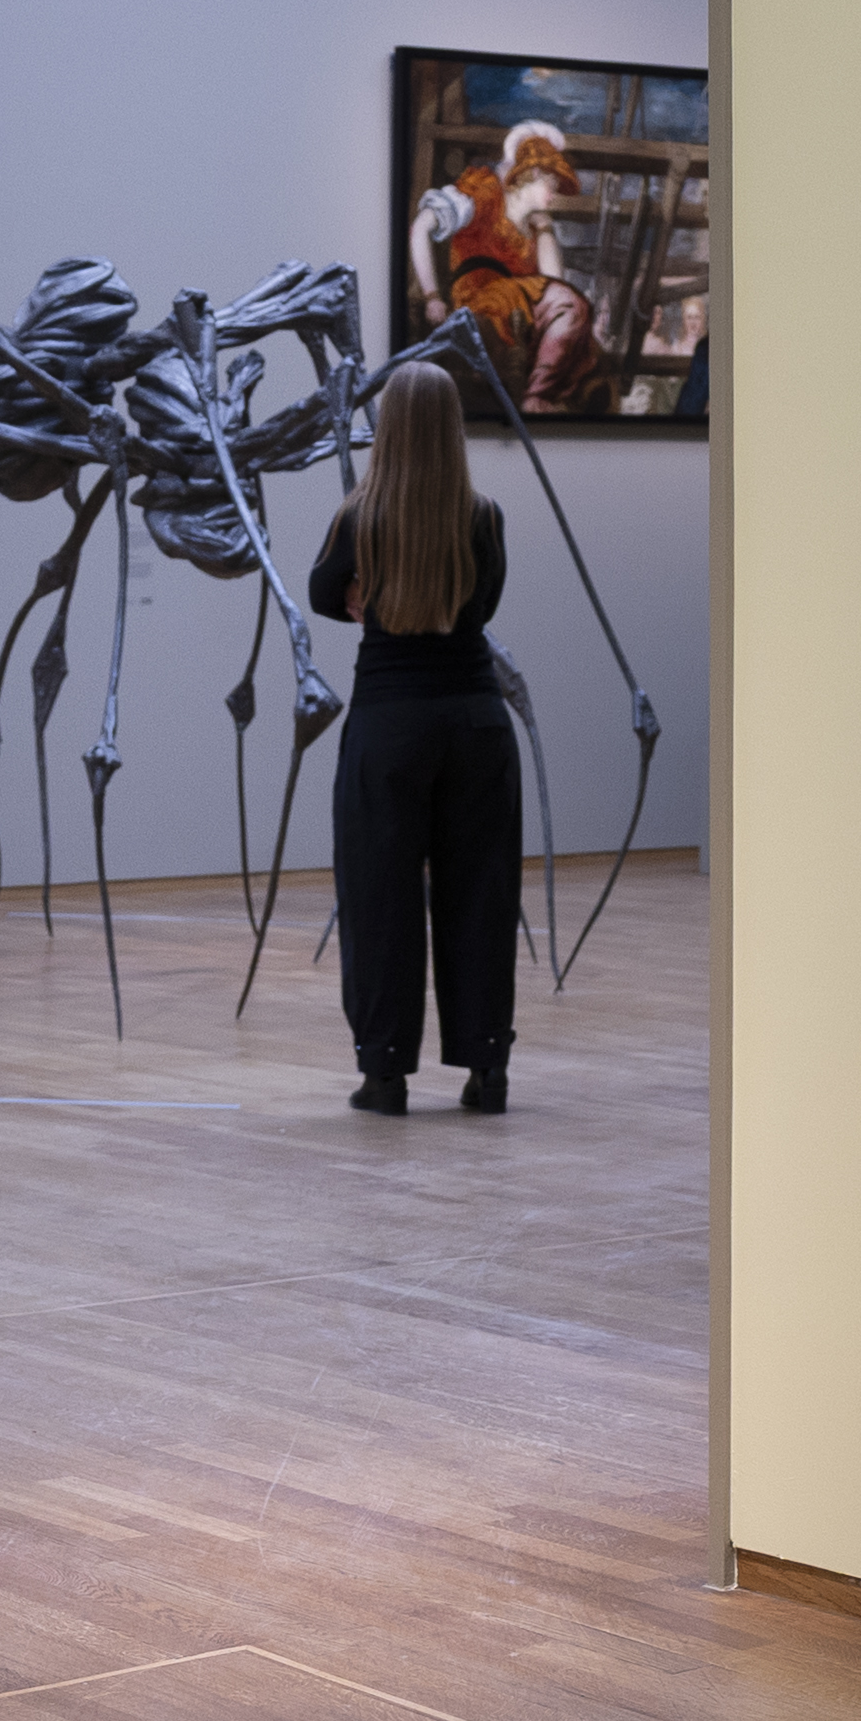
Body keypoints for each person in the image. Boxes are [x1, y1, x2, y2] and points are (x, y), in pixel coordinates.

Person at [304, 357, 516, 1115]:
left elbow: (323, 595)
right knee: (481, 893)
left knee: (379, 896)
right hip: (475, 721)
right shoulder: (483, 515)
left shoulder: (358, 518)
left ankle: (385, 1074)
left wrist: (367, 593)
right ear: (453, 427)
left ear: (388, 427)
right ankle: (487, 1070)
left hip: (389, 724)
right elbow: (484, 605)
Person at [410, 119, 601, 412]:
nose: (555, 192)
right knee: (571, 306)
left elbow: (554, 285)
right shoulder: (485, 192)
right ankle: (536, 398)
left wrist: (545, 229)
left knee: (574, 317)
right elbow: (421, 227)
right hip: (480, 302)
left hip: (517, 311)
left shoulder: (534, 228)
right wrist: (432, 295)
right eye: (550, 182)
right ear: (531, 174)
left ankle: (537, 397)